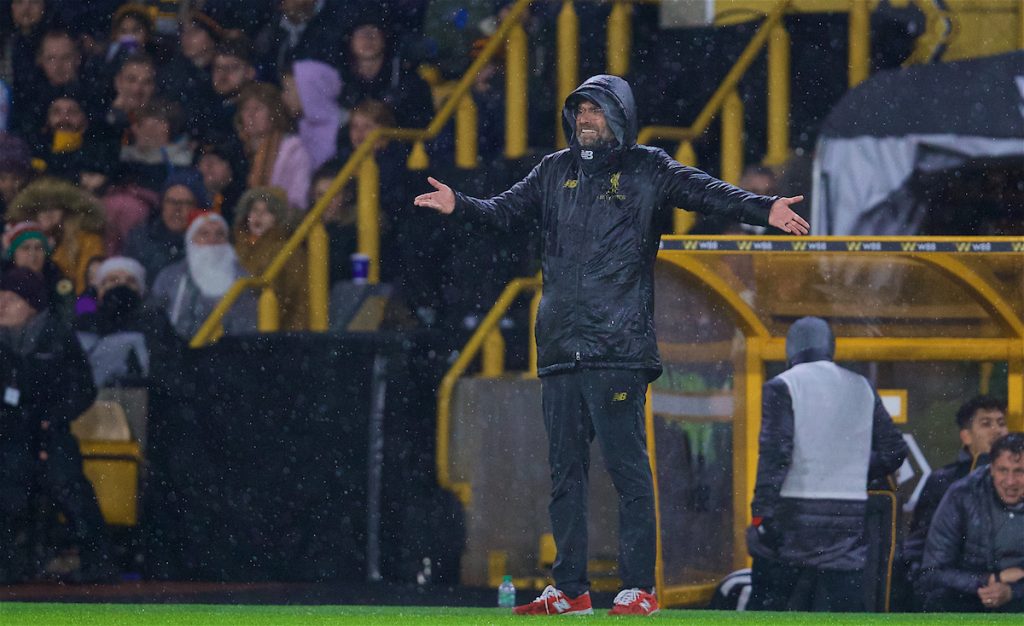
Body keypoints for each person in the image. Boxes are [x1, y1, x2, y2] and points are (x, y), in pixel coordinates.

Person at [413, 74, 809, 616]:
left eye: (594, 110)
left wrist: (763, 208)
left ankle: (638, 588)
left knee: (628, 472)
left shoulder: (648, 167)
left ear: (618, 114)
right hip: (558, 349)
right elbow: (501, 212)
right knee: (564, 475)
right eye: (578, 111)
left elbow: (705, 192)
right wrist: (459, 203)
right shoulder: (553, 171)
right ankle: (570, 590)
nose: (584, 119)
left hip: (619, 349)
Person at [746, 316, 909, 612]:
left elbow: (775, 455)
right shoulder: (862, 386)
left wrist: (760, 516)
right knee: (843, 605)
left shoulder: (782, 386)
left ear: (790, 348)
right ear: (830, 347)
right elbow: (894, 450)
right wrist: (856, 470)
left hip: (793, 514)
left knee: (777, 606)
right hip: (847, 516)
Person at [0, 267, 114, 583]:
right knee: (8, 489)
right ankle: (12, 564)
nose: (1, 305)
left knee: (69, 487)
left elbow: (82, 388)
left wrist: (53, 417)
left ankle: (98, 561)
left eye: (10, 298)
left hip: (51, 430)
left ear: (31, 303)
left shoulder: (58, 337)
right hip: (8, 435)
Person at [904, 396, 1008, 587]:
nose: (997, 431)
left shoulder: (1018, 479)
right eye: (986, 424)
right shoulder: (944, 480)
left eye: (1001, 423)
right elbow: (920, 542)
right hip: (957, 582)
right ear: (966, 436)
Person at [919, 433, 1024, 612]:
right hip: (968, 600)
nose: (1010, 481)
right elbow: (933, 572)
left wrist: (1012, 592)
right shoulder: (962, 495)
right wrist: (992, 580)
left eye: (1020, 471)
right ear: (991, 469)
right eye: (1003, 470)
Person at [148, 211, 257, 340]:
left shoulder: (244, 278)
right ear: (191, 240)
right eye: (204, 234)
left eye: (220, 234)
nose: (212, 240)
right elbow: (154, 316)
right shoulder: (169, 276)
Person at [6, 176, 105, 294]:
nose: (48, 212)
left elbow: (86, 287)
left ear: (67, 210)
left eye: (55, 206)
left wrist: (83, 310)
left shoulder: (87, 239)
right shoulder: (23, 237)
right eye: (41, 207)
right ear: (33, 210)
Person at [232, 187, 307, 331]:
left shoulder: (288, 251)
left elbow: (294, 296)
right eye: (254, 210)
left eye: (267, 211)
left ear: (278, 218)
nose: (258, 216)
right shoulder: (236, 249)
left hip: (275, 329)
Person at [234, 81, 312, 210]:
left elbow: (298, 200)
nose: (251, 115)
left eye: (258, 108)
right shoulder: (236, 150)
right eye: (246, 109)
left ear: (274, 113)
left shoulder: (294, 150)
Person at [123, 171, 208, 287]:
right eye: (171, 201)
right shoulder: (140, 238)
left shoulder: (209, 240)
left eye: (186, 203)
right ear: (162, 205)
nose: (177, 209)